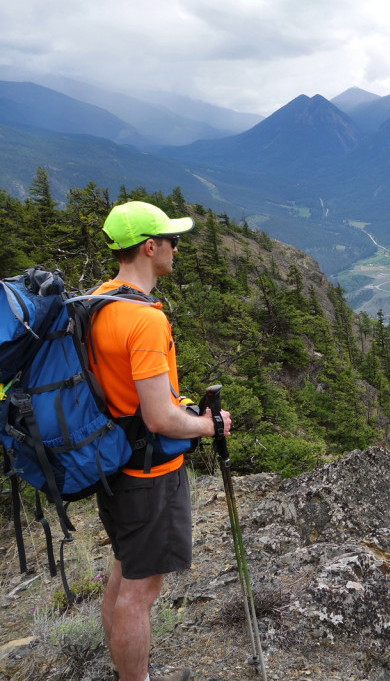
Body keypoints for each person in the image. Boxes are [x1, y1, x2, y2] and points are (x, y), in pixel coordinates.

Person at [92, 201, 231, 681]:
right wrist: (208, 425)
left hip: (111, 465)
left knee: (122, 572)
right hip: (148, 475)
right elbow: (159, 418)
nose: (176, 247)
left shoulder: (98, 302)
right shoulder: (145, 320)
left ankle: (122, 671)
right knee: (140, 593)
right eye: (172, 240)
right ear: (150, 248)